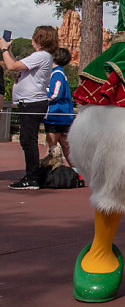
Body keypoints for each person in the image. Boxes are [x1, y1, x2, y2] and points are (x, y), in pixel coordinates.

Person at [2, 25, 58, 190]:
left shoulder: (41, 55)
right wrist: (9, 51)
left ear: (39, 39)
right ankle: (31, 176)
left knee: (28, 141)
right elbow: (14, 63)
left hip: (32, 102)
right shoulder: (42, 56)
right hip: (30, 102)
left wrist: (4, 49)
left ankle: (32, 178)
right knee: (27, 140)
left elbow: (12, 67)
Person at [42, 47, 74, 167]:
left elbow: (54, 94)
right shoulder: (59, 73)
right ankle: (78, 172)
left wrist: (41, 94)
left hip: (56, 116)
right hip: (62, 116)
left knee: (51, 146)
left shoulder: (57, 73)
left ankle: (46, 171)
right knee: (66, 147)